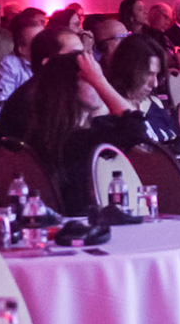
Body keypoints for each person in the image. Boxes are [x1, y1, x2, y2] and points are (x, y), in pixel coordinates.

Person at [22, 52, 148, 212]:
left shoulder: (93, 128)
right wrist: (100, 83)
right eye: (91, 79)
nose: (99, 84)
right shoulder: (69, 140)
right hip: (83, 220)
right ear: (69, 86)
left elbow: (138, 131)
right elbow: (137, 131)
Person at [106, 34, 179, 145]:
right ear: (129, 70)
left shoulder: (155, 104)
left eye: (157, 75)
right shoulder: (107, 110)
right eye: (148, 74)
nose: (155, 84)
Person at [0, 7, 45, 108]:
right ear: (22, 49)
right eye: (37, 42)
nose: (45, 44)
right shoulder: (10, 65)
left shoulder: (53, 62)